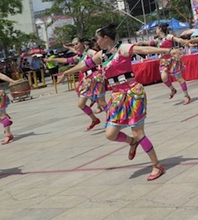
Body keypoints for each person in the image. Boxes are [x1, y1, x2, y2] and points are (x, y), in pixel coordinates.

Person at [57, 24, 175, 181]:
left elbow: (143, 50)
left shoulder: (122, 49)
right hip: (117, 95)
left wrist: (167, 51)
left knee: (138, 132)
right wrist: (66, 71)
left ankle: (156, 165)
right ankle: (132, 142)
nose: (96, 41)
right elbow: (84, 65)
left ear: (105, 38)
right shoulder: (101, 55)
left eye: (98, 38)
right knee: (110, 134)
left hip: (132, 93)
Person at [51, 38, 106, 130]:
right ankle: (94, 119)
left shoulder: (89, 52)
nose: (75, 46)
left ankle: (111, 120)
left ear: (82, 43)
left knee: (102, 102)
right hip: (86, 81)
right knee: (81, 104)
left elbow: (99, 56)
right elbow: (66, 60)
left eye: (76, 44)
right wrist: (51, 60)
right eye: (73, 45)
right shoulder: (80, 56)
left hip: (96, 78)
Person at [136, 23, 192, 105]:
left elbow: (178, 40)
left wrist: (188, 43)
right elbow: (150, 42)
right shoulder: (158, 40)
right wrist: (140, 43)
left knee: (179, 79)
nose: (155, 30)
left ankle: (186, 96)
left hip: (173, 60)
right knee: (164, 77)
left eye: (157, 29)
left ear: (160, 29)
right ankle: (173, 89)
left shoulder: (168, 37)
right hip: (164, 61)